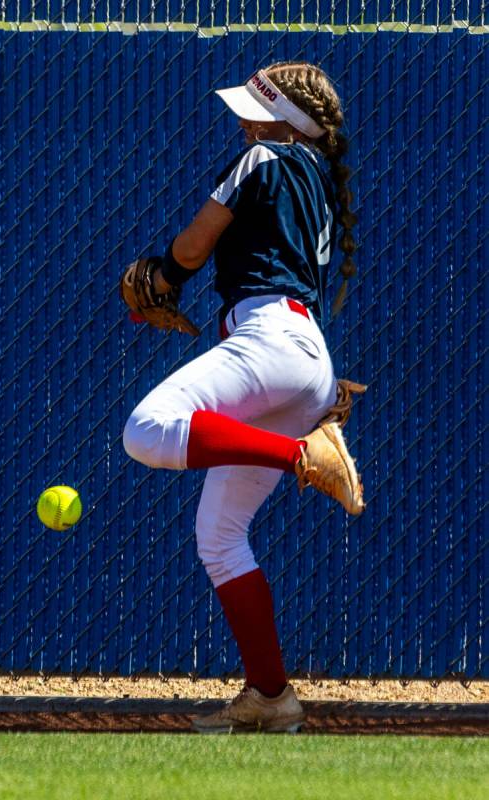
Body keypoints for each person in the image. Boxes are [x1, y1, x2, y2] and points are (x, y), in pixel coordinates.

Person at [123, 62, 365, 733]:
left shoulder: (262, 155)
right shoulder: (318, 174)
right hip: (304, 354)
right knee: (221, 537)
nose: (241, 122)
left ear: (282, 122)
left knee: (146, 430)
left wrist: (165, 277)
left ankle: (304, 454)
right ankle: (271, 695)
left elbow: (198, 243)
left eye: (253, 112)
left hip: (269, 340)